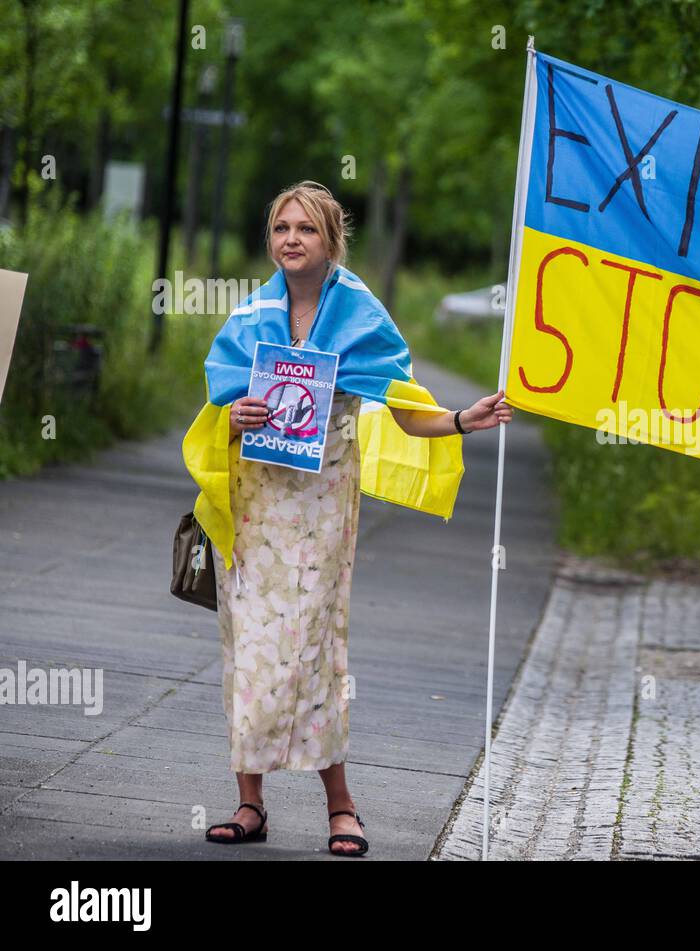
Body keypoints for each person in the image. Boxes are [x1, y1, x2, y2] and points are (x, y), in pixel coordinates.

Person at [192, 181, 513, 855]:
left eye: (305, 229)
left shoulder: (362, 315)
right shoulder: (252, 316)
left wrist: (461, 418)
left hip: (321, 506)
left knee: (311, 648)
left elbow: (404, 407)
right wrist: (238, 410)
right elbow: (222, 401)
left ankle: (343, 805)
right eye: (281, 227)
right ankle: (249, 802)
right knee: (249, 645)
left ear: (331, 239)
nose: (290, 239)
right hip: (257, 506)